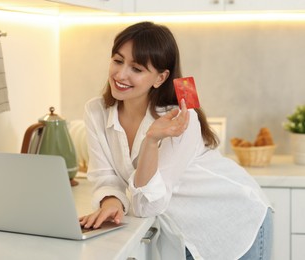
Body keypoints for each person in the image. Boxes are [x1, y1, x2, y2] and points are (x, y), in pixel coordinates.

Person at [79, 21, 273, 260]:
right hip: (180, 232)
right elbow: (104, 176)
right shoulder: (96, 111)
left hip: (233, 222)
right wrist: (111, 202)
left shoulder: (181, 119)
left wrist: (151, 140)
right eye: (118, 61)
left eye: (136, 69)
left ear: (160, 78)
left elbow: (147, 205)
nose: (120, 75)